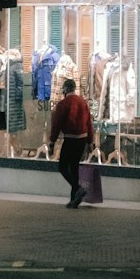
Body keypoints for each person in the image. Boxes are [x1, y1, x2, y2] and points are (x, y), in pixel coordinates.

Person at [47, 79, 94, 208]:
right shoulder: (83, 102)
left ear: (65, 89)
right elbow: (89, 123)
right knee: (74, 167)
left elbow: (56, 125)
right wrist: (90, 141)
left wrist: (52, 142)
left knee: (63, 167)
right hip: (83, 138)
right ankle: (74, 200)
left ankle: (78, 189)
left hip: (71, 138)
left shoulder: (63, 104)